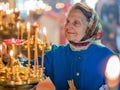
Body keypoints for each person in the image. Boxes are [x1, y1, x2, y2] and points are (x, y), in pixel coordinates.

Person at [26, 3, 120, 90]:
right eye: (67, 21)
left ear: (90, 27)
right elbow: (25, 68)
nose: (68, 26)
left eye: (76, 23)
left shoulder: (107, 57)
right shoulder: (56, 55)